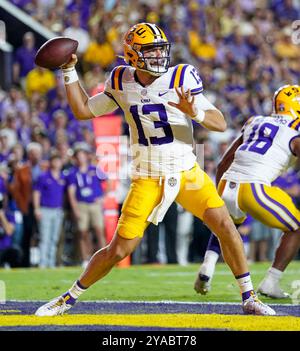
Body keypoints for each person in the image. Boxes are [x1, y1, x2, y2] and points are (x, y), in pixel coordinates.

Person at [35, 22, 274, 316]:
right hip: (147, 176)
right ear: (133, 55)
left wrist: (195, 112)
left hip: (187, 171)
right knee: (118, 250)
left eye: (161, 48)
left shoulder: (181, 76)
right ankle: (67, 299)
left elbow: (220, 122)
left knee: (225, 226)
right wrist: (69, 71)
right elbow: (84, 110)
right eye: (151, 50)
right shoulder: (121, 79)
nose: (160, 55)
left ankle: (249, 298)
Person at [194, 85, 300, 299]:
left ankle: (208, 266)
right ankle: (271, 281)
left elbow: (225, 161)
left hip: (227, 182)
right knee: (296, 228)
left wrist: (218, 194)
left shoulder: (254, 121)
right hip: (254, 188)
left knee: (227, 224)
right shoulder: (295, 135)